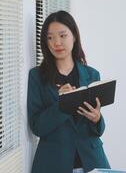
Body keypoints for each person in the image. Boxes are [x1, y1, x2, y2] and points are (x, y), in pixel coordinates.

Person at [27, 10, 110, 173]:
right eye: (50, 37)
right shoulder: (37, 76)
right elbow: (37, 127)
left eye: (62, 36)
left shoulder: (92, 74)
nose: (56, 42)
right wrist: (62, 103)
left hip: (91, 161)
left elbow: (98, 131)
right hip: (53, 163)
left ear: (74, 36)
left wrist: (97, 119)